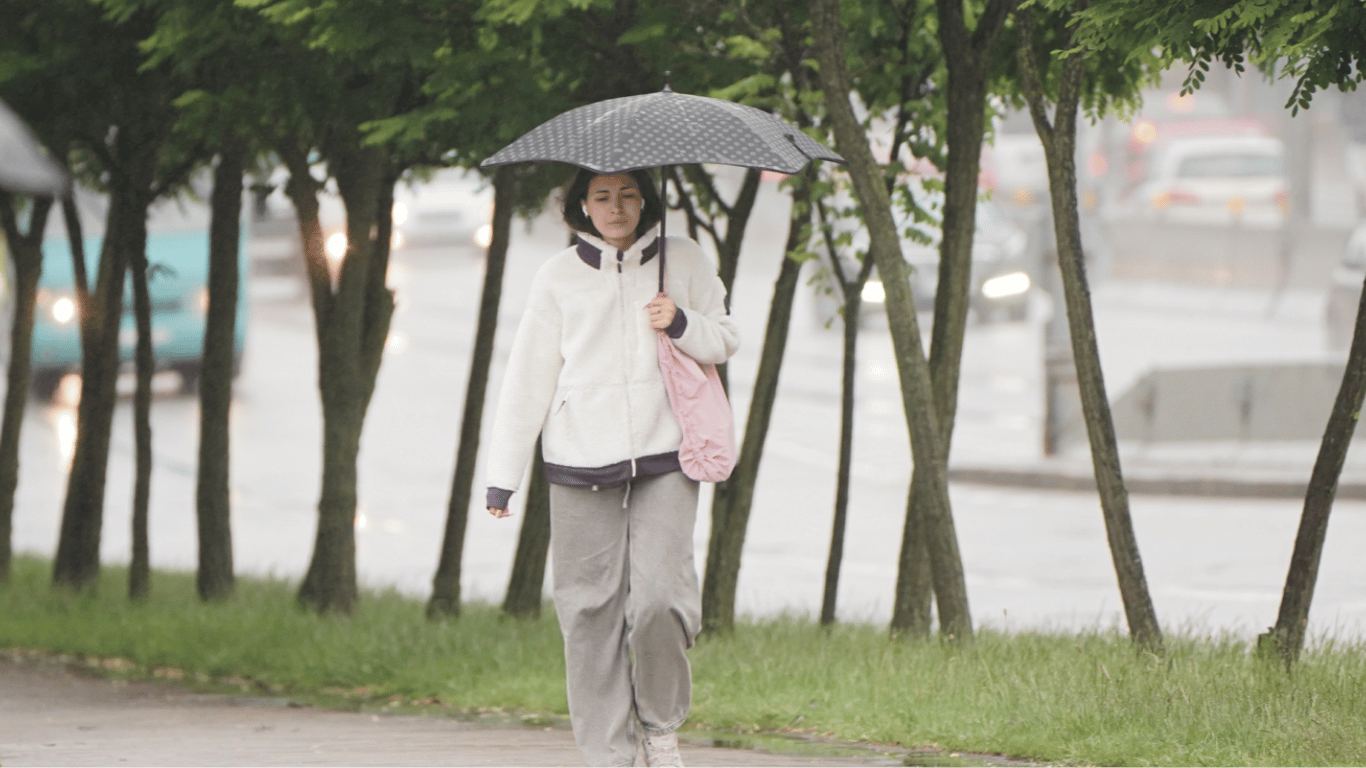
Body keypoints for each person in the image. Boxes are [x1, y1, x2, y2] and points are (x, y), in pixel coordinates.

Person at [484, 167, 740, 768]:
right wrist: (503, 475)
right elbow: (528, 378)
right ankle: (608, 754)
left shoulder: (683, 259)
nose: (616, 207)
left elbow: (726, 339)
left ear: (646, 200)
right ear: (582, 205)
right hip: (579, 457)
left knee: (659, 600)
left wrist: (680, 321)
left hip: (666, 451)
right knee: (587, 612)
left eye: (628, 195)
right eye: (602, 196)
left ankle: (660, 728)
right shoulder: (557, 277)